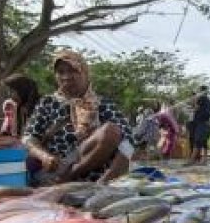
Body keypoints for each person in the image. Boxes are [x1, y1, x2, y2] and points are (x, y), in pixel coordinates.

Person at [23, 49, 134, 184]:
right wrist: (44, 156)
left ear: (85, 73)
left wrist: (108, 179)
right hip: (57, 168)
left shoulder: (103, 104)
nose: (66, 77)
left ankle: (68, 178)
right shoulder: (48, 103)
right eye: (60, 72)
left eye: (72, 71)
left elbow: (128, 143)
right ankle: (61, 179)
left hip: (94, 177)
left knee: (110, 131)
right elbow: (29, 138)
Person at [186, 86, 210, 165]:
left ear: (201, 91)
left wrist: (192, 105)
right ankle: (204, 160)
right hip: (206, 122)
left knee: (197, 141)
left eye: (199, 91)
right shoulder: (208, 100)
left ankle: (192, 160)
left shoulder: (201, 98)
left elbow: (196, 108)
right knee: (203, 142)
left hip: (201, 123)